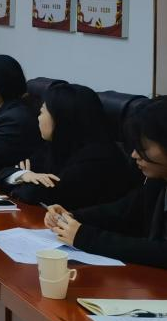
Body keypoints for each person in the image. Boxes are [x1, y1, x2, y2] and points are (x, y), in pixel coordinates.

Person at [45, 97, 167, 269]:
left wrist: (86, 238)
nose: (134, 155)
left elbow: (161, 252)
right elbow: (122, 211)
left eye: (143, 148)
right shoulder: (157, 181)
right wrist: (72, 217)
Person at [0, 82, 139, 210]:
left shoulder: (97, 160)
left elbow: (34, 194)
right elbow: (4, 173)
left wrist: (23, 182)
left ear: (61, 118)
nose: (38, 118)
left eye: (42, 112)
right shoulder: (57, 146)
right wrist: (24, 175)